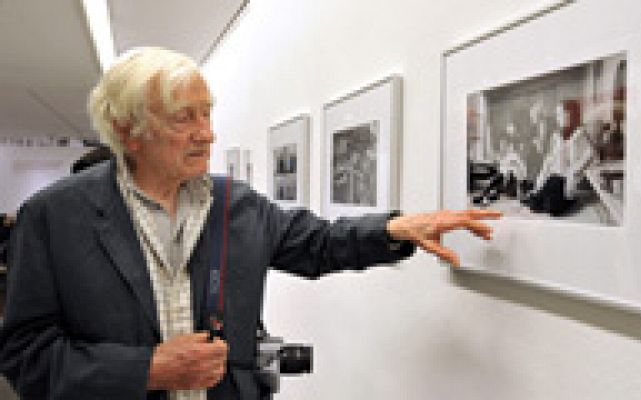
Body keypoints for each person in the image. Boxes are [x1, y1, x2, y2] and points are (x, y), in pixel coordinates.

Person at [0, 47, 501, 400]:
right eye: (184, 119)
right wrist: (145, 370)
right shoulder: (52, 217)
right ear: (130, 131)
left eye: (207, 114)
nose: (207, 134)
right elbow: (26, 356)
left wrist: (395, 229)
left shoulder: (236, 205)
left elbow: (321, 244)